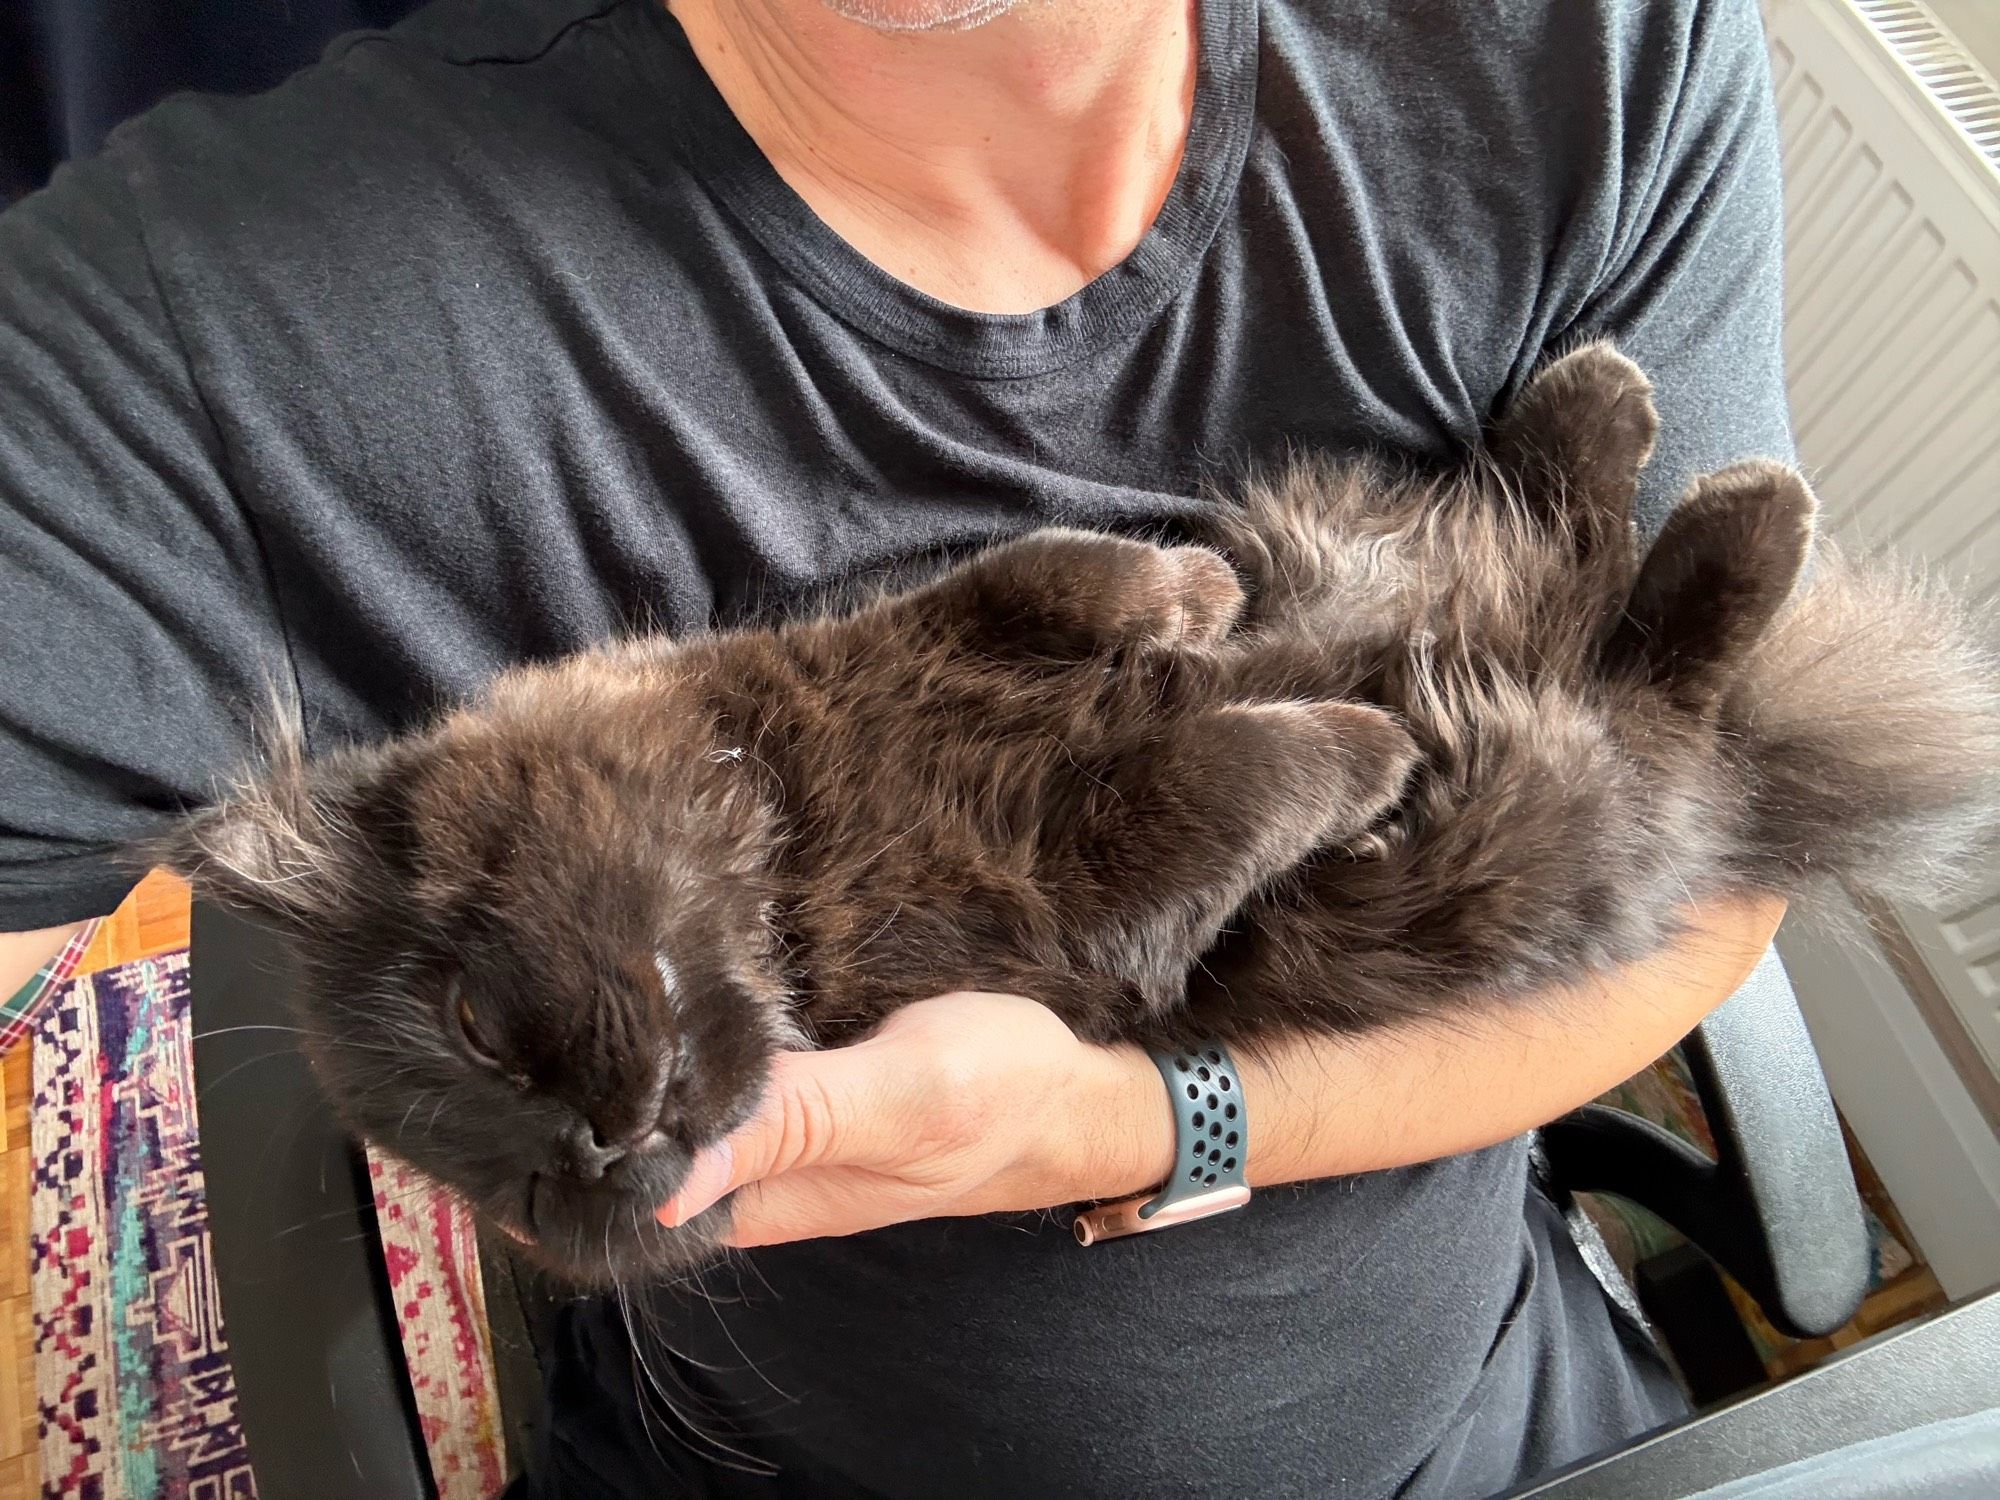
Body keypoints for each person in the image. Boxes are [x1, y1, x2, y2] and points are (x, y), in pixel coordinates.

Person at [0, 0, 1795, 1493]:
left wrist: (1137, 1126)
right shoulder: (209, 321)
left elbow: (1727, 890)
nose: (621, 1115)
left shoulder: (1590, 47)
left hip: (1487, 1410)